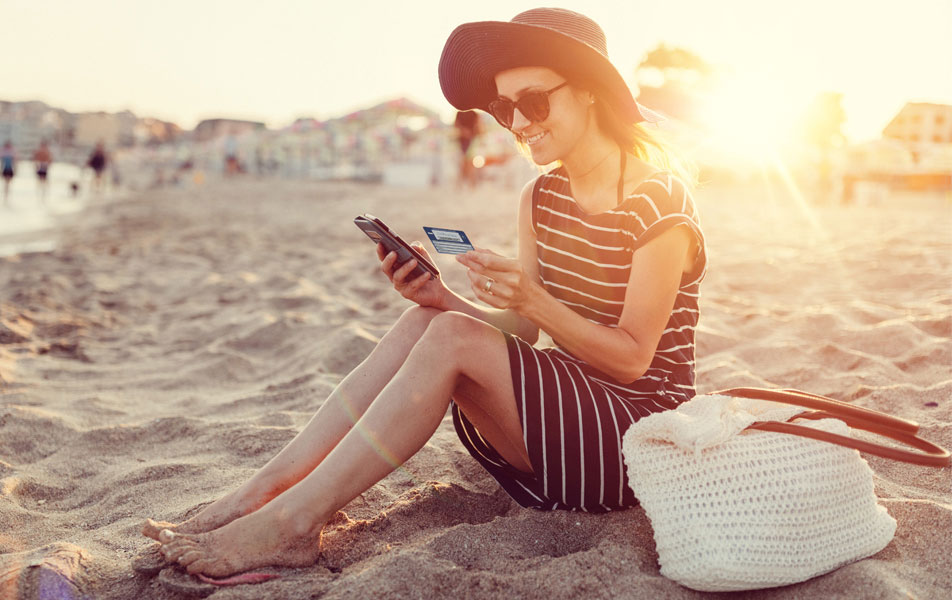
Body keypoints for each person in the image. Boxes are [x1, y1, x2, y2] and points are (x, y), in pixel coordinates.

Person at [144, 7, 706, 579]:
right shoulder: (540, 197)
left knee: (455, 337)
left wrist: (531, 301)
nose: (519, 123)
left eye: (533, 102)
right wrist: (442, 299)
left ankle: (291, 525)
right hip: (565, 419)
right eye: (505, 109)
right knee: (426, 325)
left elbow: (634, 358)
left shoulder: (658, 198)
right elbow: (525, 334)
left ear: (588, 91)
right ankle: (263, 493)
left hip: (638, 440)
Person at [454, 109, 482, 188]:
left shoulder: (474, 114)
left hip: (471, 141)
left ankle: (470, 184)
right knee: (464, 163)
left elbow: (479, 127)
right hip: (463, 141)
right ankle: (466, 184)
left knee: (468, 163)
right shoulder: (460, 113)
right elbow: (456, 126)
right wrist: (465, 132)